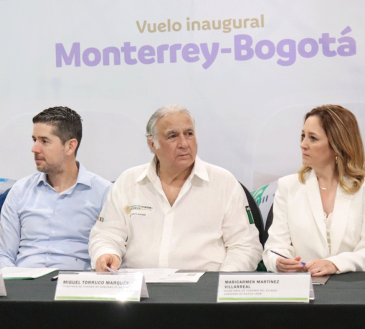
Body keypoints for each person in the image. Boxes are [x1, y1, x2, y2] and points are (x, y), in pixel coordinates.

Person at [89, 105, 261, 272]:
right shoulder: (128, 181)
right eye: (172, 136)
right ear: (152, 144)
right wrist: (106, 254)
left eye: (189, 134)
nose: (184, 143)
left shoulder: (224, 182)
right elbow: (106, 235)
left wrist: (221, 283)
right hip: (138, 292)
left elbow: (245, 246)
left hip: (202, 293)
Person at [264, 105, 365, 276]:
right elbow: (274, 247)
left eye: (312, 138)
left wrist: (334, 264)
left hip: (351, 289)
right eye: (303, 136)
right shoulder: (288, 186)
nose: (302, 145)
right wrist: (279, 262)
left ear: (338, 145)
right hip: (301, 290)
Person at [0, 107, 111, 270]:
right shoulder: (20, 191)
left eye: (44, 141)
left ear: (70, 146)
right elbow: (2, 254)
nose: (34, 148)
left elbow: (110, 251)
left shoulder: (104, 193)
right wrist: (15, 284)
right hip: (24, 286)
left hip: (76, 288)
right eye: (34, 139)